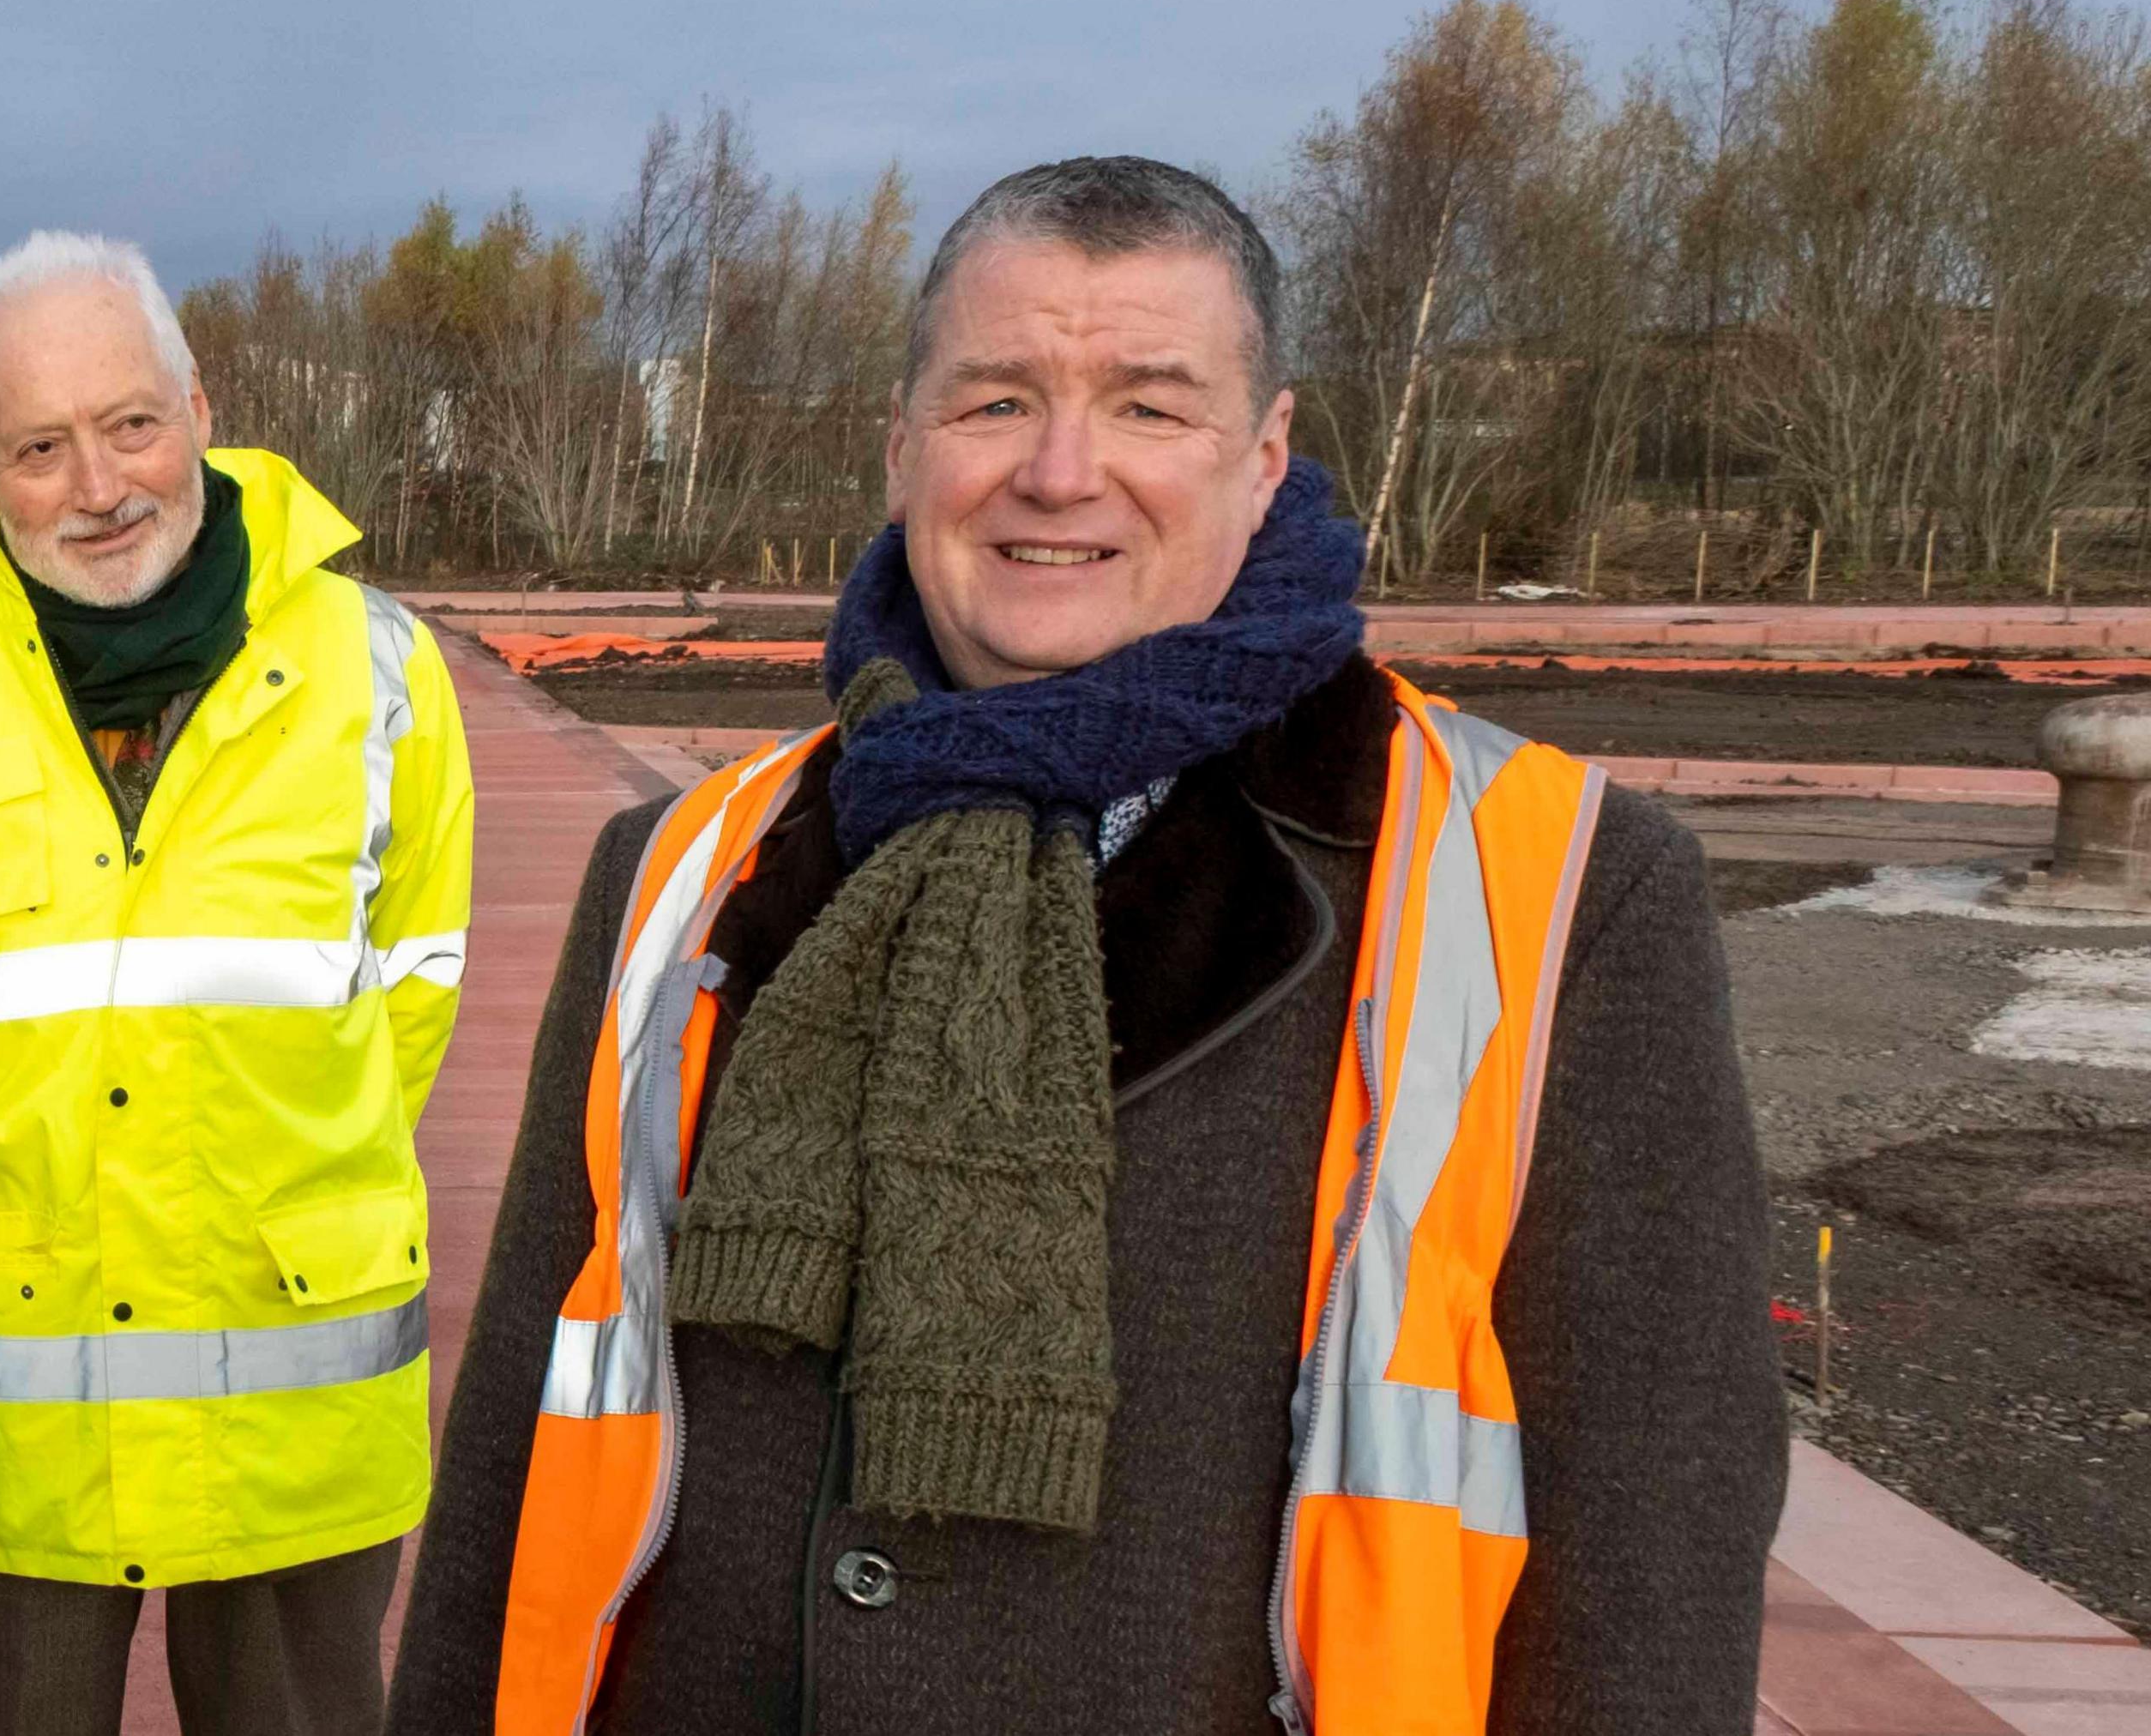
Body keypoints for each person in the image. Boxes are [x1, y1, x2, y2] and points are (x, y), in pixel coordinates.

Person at [388, 159, 1788, 1734]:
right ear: (903, 448)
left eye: (1148, 406)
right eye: (996, 402)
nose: (1060, 473)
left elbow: (1647, 1543)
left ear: (1265, 460)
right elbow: (523, 1431)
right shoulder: (685, 866)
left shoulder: (1561, 888)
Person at [0, 232, 473, 1736]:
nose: (101, 488)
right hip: (12, 1438)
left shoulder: (382, 672)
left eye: (130, 425)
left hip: (300, 1425)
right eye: (40, 448)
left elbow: (414, 1002)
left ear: (200, 400)